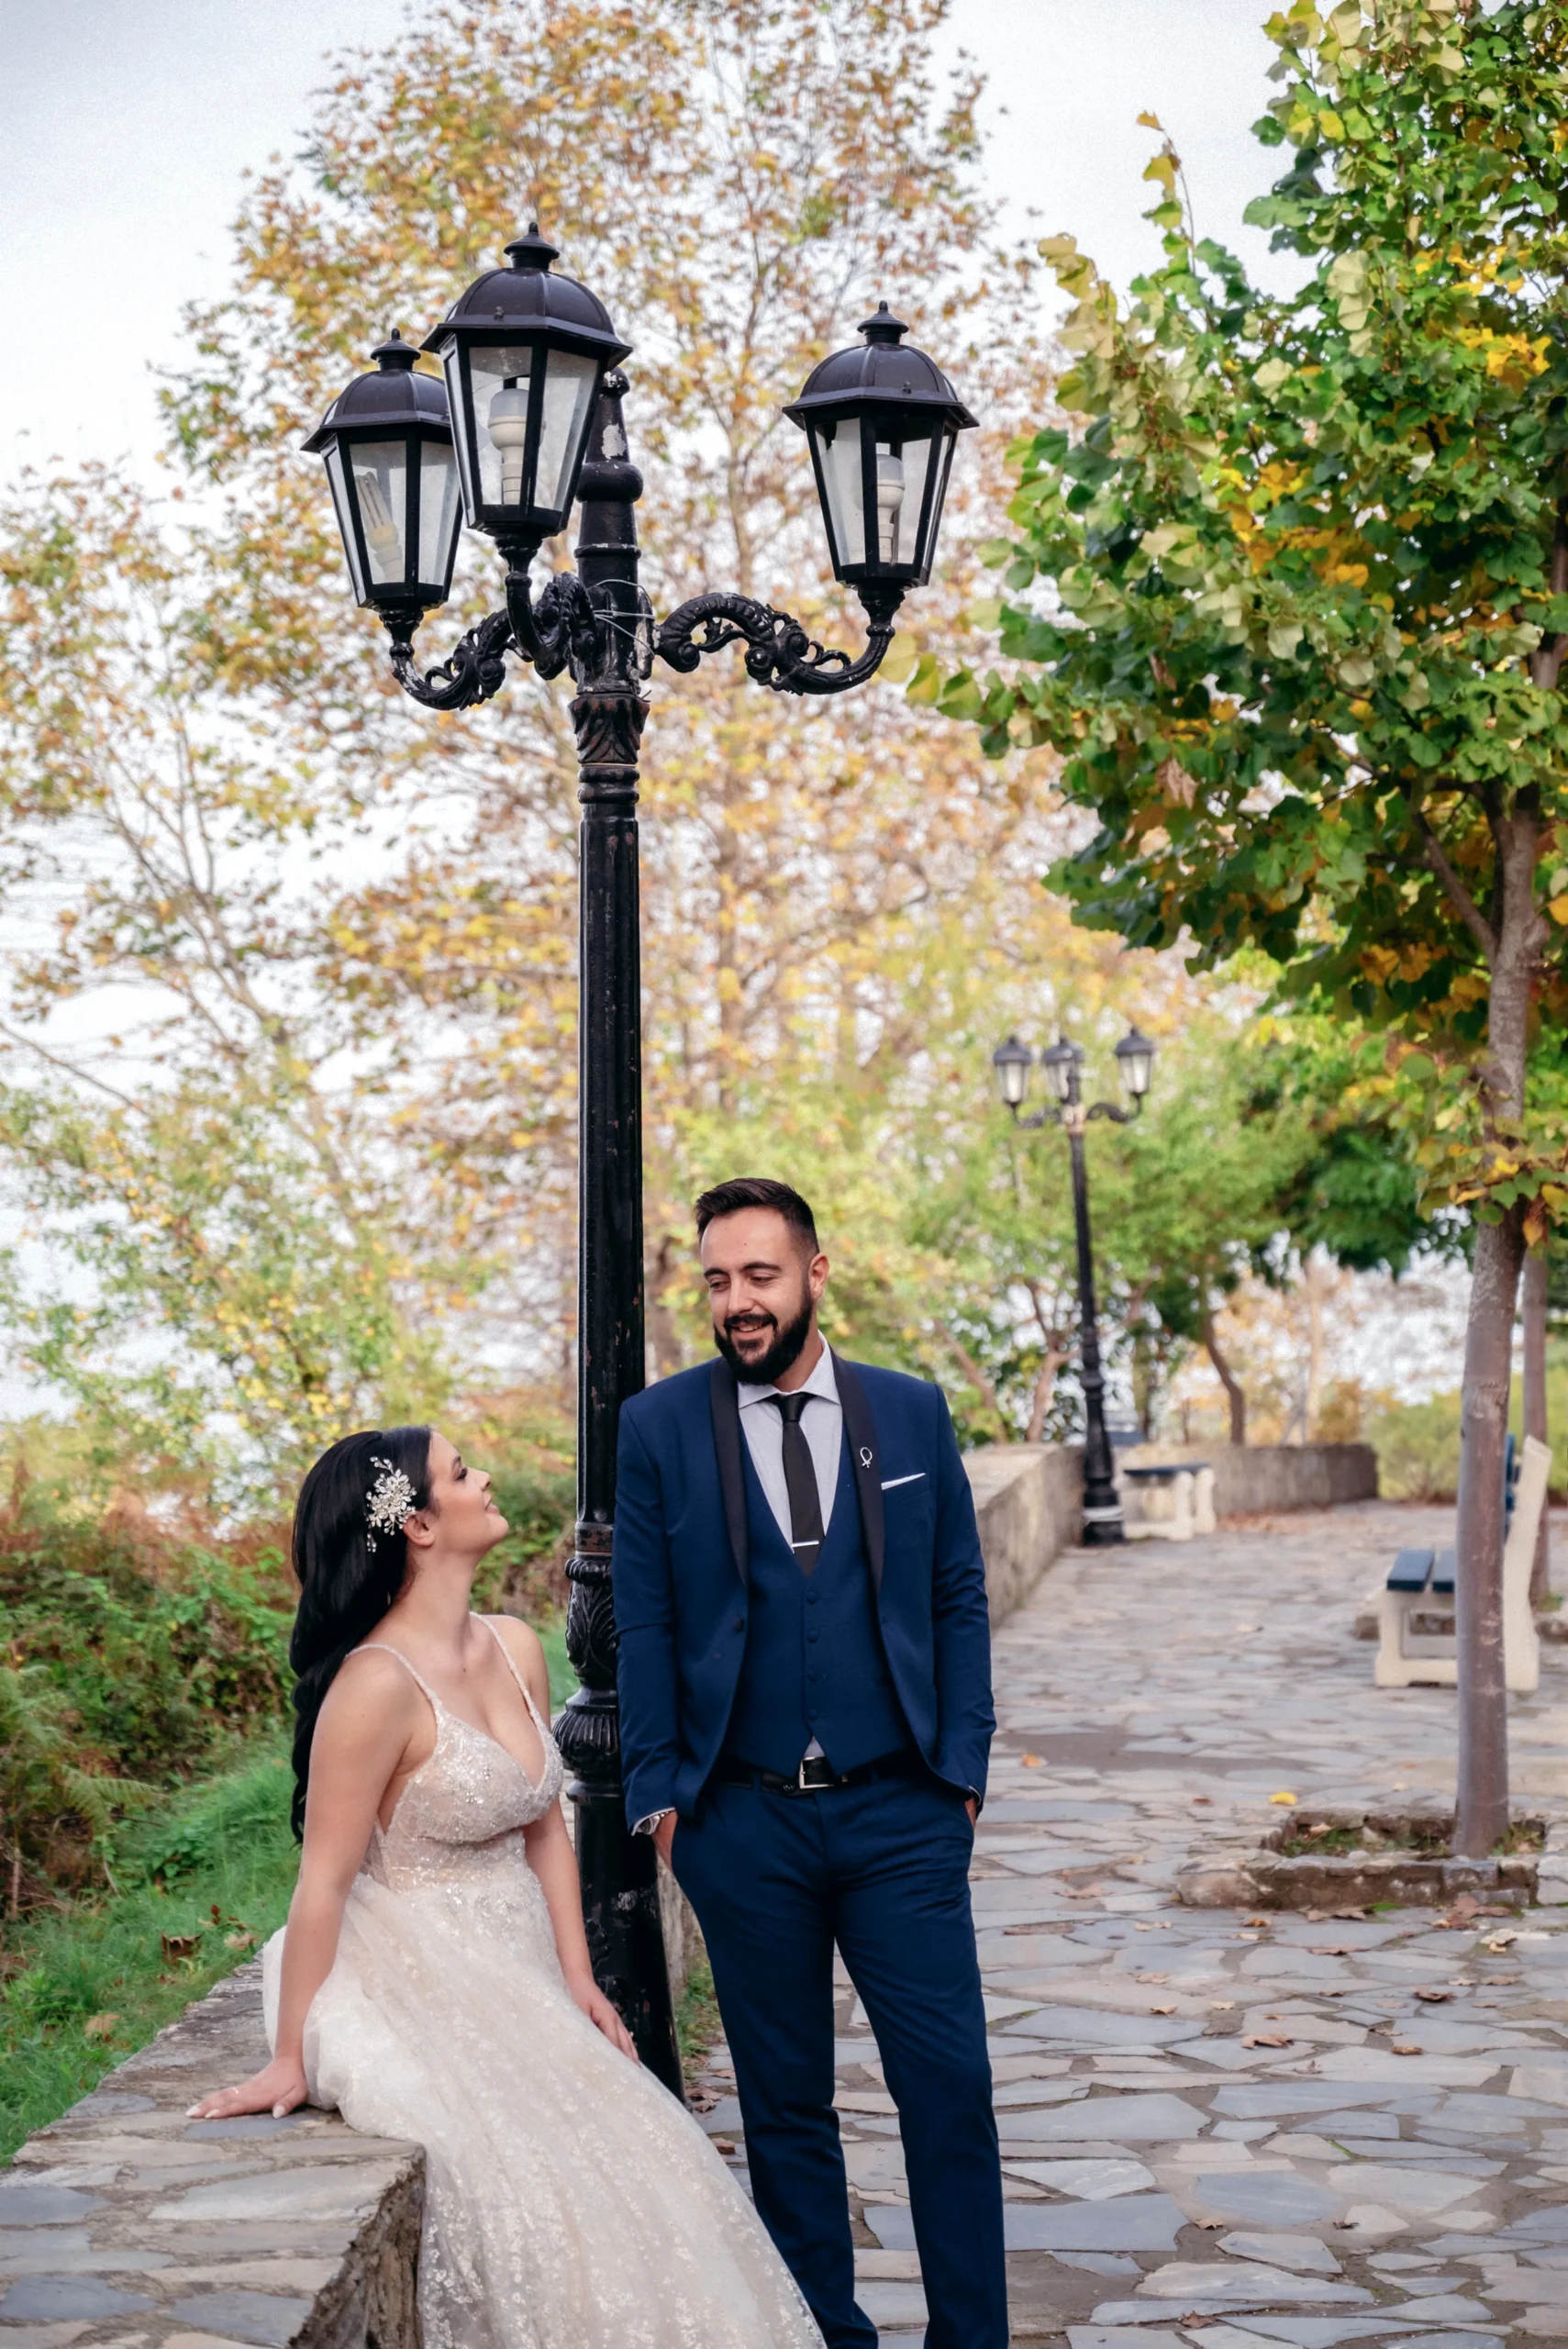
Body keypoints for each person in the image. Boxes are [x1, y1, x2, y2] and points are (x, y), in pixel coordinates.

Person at [190, 1424, 823, 2349]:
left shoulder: (516, 1644)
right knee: (526, 2187)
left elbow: (545, 1828)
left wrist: (578, 1979)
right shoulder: (374, 1688)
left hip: (522, 1963)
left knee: (645, 2156)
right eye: (459, 1471)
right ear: (416, 1525)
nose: (483, 1476)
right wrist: (289, 2055)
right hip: (424, 1968)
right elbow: (320, 1882)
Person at [614, 1176, 1006, 2349]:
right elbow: (642, 1621)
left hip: (901, 1811)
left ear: (814, 1273)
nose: (736, 1301)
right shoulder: (658, 1427)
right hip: (741, 1821)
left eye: (759, 1275)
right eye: (717, 1281)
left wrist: (961, 1772)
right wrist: (660, 1800)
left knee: (948, 2089)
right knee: (785, 2107)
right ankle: (827, 2336)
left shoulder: (910, 1411)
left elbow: (956, 1594)